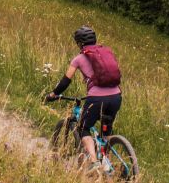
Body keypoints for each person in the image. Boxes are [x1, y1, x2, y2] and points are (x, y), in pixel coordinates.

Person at [44, 25, 122, 171]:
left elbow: (65, 81)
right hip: (116, 96)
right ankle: (105, 160)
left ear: (79, 43)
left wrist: (53, 94)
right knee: (106, 128)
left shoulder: (79, 58)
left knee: (83, 128)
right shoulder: (106, 52)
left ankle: (94, 162)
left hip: (97, 98)